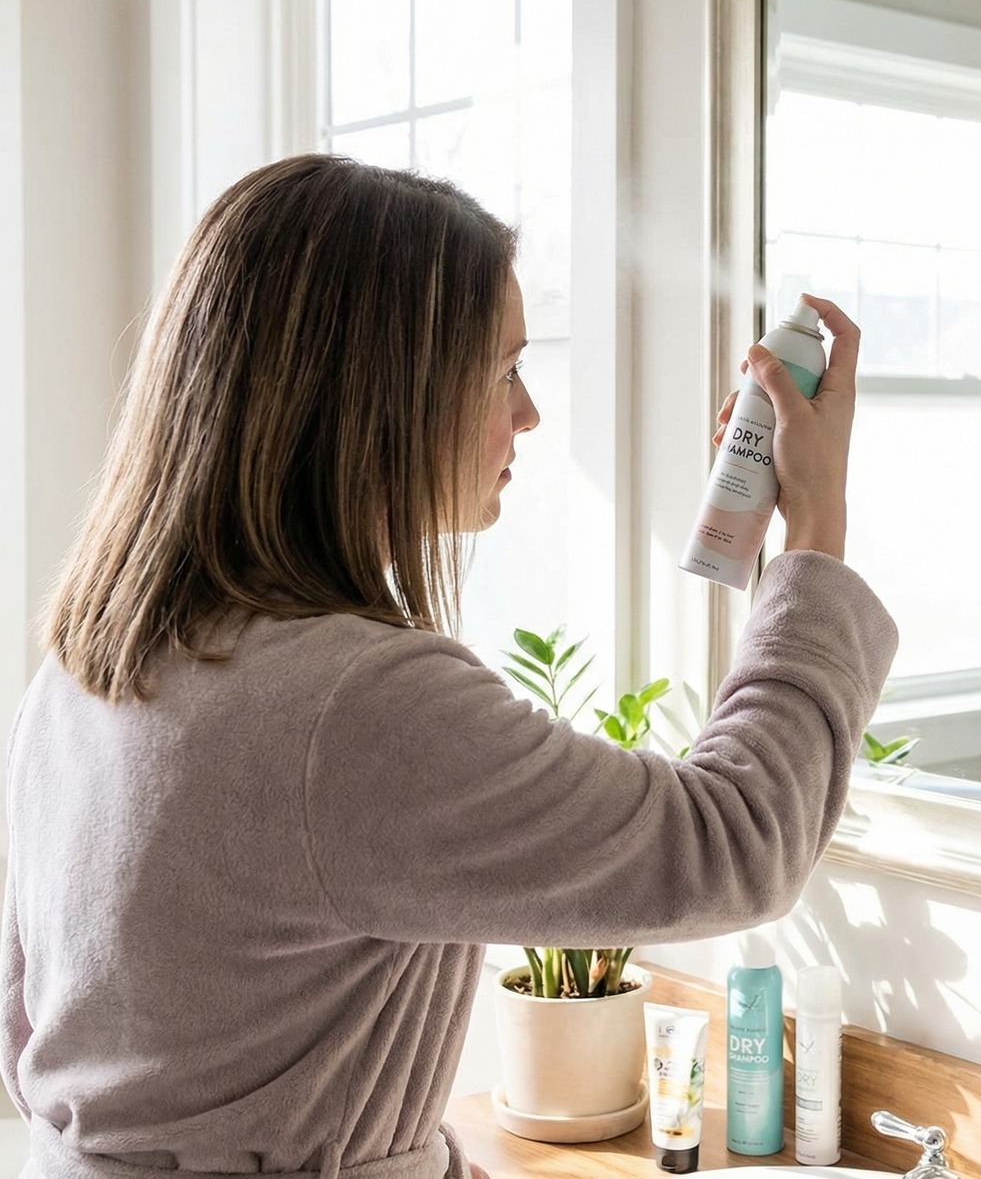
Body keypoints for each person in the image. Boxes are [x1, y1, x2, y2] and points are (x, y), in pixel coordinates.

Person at [1, 155, 897, 1179]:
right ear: (379, 394)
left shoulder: (94, 653)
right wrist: (813, 534)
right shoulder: (353, 702)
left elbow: (31, 1022)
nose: (528, 415)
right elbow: (736, 840)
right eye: (503, 369)